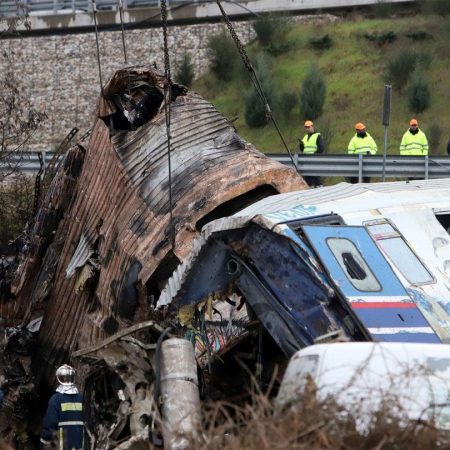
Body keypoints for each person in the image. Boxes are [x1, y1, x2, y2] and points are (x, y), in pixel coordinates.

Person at [40, 365, 84, 450]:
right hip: (79, 446)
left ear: (59, 379)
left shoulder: (56, 399)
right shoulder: (81, 399)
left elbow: (50, 423)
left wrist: (44, 440)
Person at [298, 120, 325, 187]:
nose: (307, 129)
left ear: (312, 127)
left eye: (308, 127)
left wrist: (314, 156)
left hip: (314, 160)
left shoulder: (318, 136)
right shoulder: (305, 136)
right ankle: (310, 188)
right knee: (308, 179)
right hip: (306, 160)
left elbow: (321, 149)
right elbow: (302, 149)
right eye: (306, 127)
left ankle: (319, 187)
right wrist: (301, 145)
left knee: (315, 176)